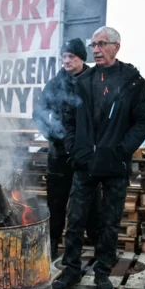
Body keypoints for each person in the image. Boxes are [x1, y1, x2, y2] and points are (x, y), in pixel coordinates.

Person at [54, 27, 145, 289]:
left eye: (102, 44)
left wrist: (123, 149)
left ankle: (103, 271)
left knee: (110, 220)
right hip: (84, 162)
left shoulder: (132, 80)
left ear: (116, 46)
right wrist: (75, 149)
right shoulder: (83, 81)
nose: (96, 49)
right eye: (93, 44)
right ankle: (71, 270)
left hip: (115, 163)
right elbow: (68, 119)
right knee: (75, 217)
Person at [33, 38, 101, 262]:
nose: (67, 61)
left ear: (82, 57)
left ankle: (97, 244)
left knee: (92, 201)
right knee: (56, 201)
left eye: (71, 56)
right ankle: (52, 245)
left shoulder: (95, 81)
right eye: (64, 56)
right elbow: (39, 112)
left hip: (87, 153)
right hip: (60, 153)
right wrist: (52, 135)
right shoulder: (55, 83)